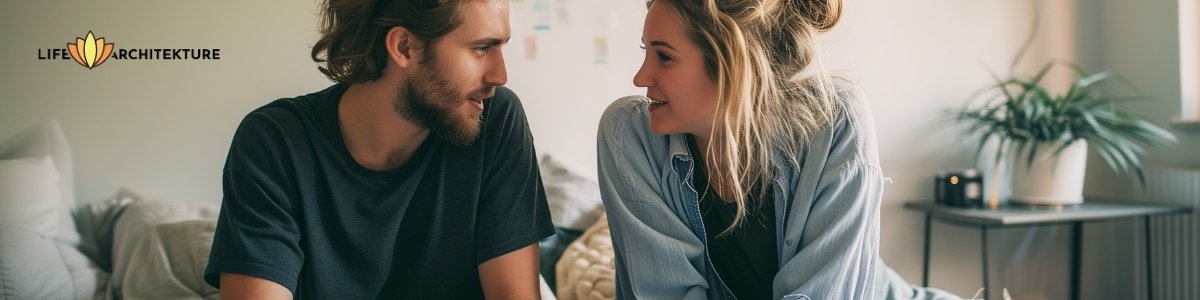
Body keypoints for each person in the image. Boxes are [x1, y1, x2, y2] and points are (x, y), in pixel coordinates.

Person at [203, 0, 554, 299]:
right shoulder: (276, 140)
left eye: (500, 47)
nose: (500, 74)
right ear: (404, 47)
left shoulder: (494, 119)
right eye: (481, 48)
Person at [596, 0, 884, 299]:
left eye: (664, 56)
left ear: (733, 63)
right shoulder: (629, 135)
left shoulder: (832, 119)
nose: (640, 77)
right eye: (647, 52)